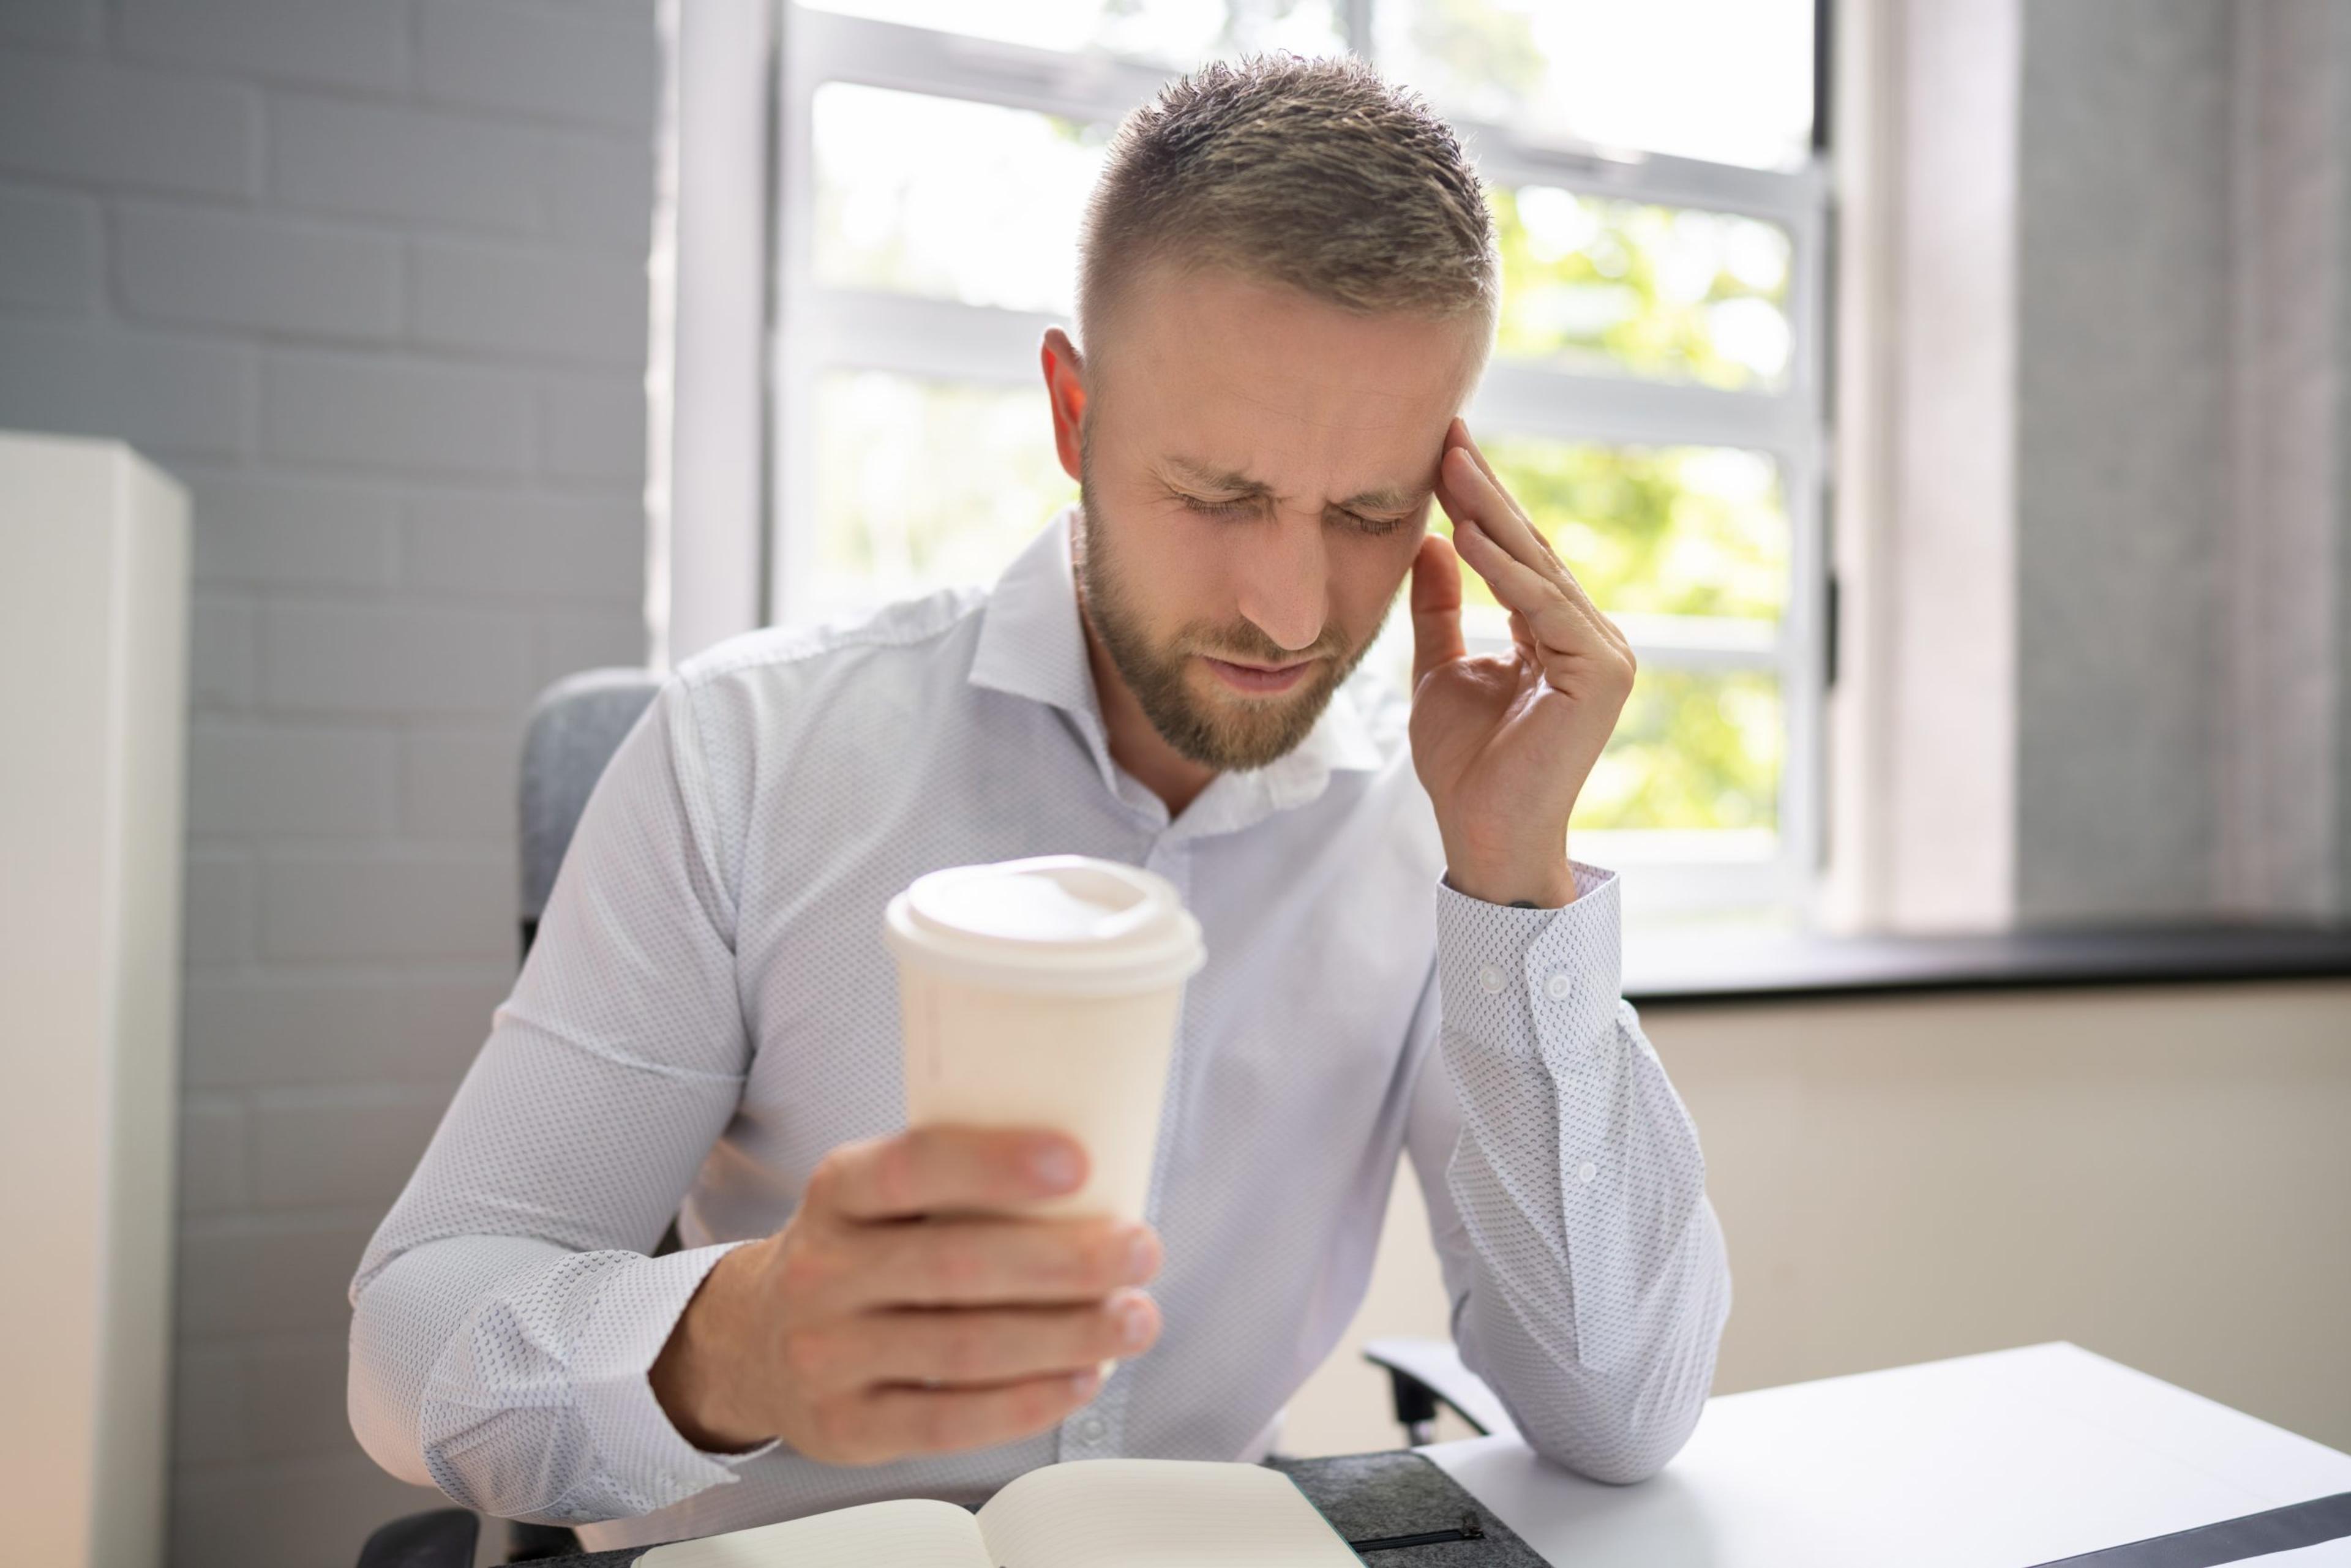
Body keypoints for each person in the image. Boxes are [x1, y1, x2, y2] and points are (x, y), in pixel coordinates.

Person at [348, 53, 1730, 1553]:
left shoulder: (1430, 829)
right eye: (1216, 495)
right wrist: (731, 1341)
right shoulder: (748, 751)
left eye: (1367, 512)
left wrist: (1516, 888)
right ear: (1075, 413)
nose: (1285, 610)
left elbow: (1626, 1415)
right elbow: (409, 1338)